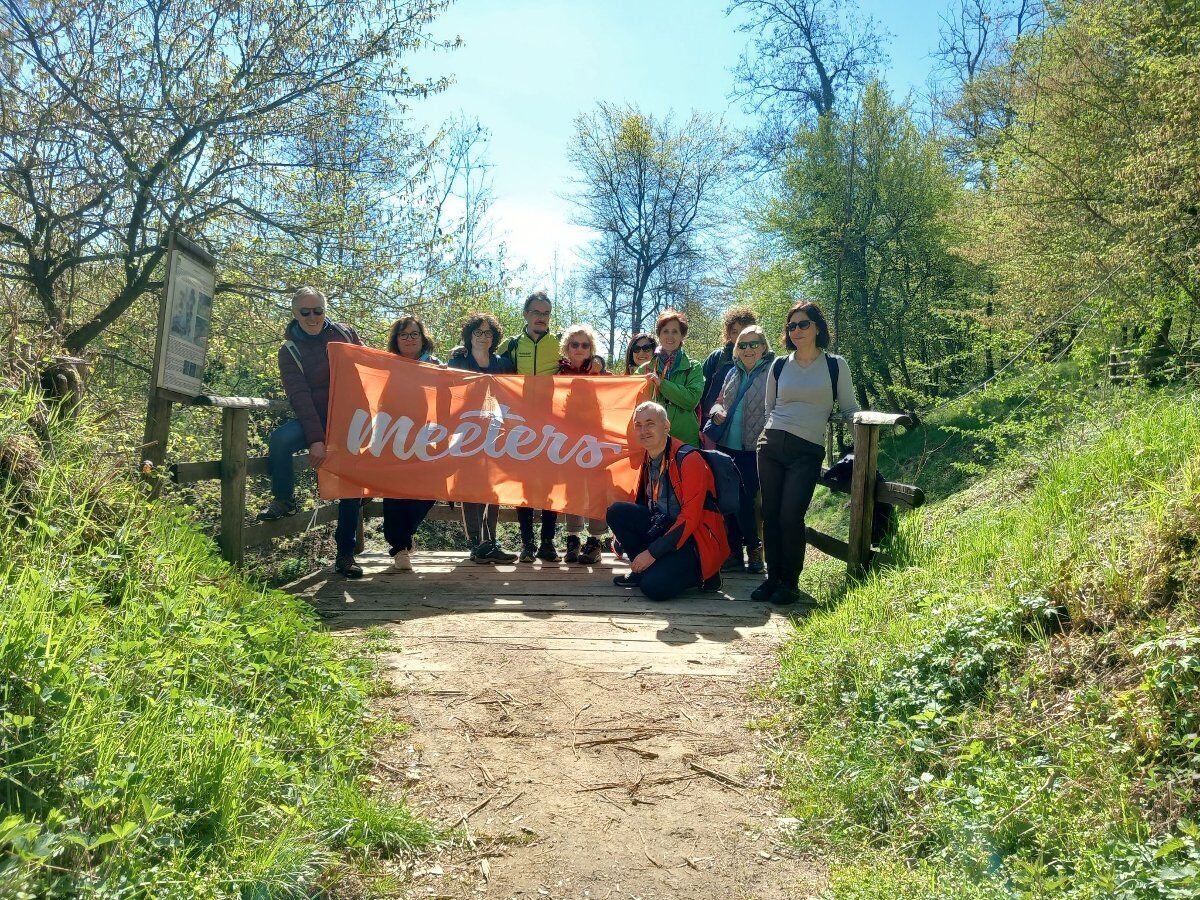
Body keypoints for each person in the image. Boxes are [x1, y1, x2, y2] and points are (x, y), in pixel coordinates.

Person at [755, 301, 859, 606]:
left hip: (807, 450)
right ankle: (772, 578)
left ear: (817, 327)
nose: (796, 331)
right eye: (791, 326)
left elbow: (850, 409)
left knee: (791, 515)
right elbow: (768, 408)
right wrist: (766, 434)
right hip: (771, 445)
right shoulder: (779, 365)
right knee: (770, 515)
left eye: (803, 324)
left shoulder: (834, 365)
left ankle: (790, 582)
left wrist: (864, 452)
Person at [258, 287, 366, 578]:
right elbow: (299, 396)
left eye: (317, 310)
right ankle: (284, 499)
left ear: (325, 310)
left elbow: (369, 367)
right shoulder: (289, 350)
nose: (312, 316)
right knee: (280, 440)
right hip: (314, 419)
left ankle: (345, 555)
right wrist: (317, 439)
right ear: (294, 313)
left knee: (349, 486)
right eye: (304, 311)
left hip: (347, 420)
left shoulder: (345, 335)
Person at [606, 402, 729, 601]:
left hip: (694, 539)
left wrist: (652, 553)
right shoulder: (647, 457)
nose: (643, 430)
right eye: (638, 425)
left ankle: (705, 573)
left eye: (649, 423)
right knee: (617, 512)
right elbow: (643, 503)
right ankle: (642, 570)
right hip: (664, 526)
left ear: (666, 426)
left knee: (654, 588)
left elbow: (690, 518)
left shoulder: (689, 459)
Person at [447, 312, 519, 565]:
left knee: (492, 488)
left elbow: (515, 392)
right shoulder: (458, 361)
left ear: (494, 336)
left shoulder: (503, 363)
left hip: (496, 431)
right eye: (478, 332)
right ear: (469, 335)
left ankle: (491, 542)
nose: (483, 337)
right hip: (467, 432)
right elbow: (448, 393)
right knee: (470, 487)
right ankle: (476, 544)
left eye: (488, 332)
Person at [705, 324, 773, 574]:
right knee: (728, 499)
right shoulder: (731, 373)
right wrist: (716, 411)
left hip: (753, 448)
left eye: (754, 344)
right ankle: (733, 552)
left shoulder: (772, 372)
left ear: (764, 347)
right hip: (726, 445)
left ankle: (754, 549)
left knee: (745, 500)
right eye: (742, 345)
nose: (748, 349)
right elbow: (718, 402)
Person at [501, 290, 562, 563]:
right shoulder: (512, 344)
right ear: (525, 314)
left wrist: (598, 362)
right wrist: (463, 350)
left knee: (550, 482)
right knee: (524, 484)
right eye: (536, 312)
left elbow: (584, 363)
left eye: (546, 313)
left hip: (553, 423)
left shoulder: (559, 342)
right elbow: (488, 364)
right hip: (520, 423)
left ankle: (548, 542)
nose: (541, 317)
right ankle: (527, 544)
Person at [381, 315, 441, 571]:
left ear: (422, 337)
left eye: (414, 334)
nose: (408, 339)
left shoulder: (435, 365)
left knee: (432, 486)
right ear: (396, 339)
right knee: (394, 491)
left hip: (427, 435)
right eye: (403, 334)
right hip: (394, 433)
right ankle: (400, 547)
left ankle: (406, 533)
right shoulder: (386, 364)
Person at [556, 324, 609, 564]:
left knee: (597, 489)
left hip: (595, 441)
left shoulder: (600, 373)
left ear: (591, 349)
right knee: (572, 490)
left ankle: (595, 542)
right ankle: (573, 540)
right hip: (567, 441)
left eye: (585, 345)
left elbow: (619, 394)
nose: (579, 349)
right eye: (574, 344)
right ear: (567, 347)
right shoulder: (557, 373)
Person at [636, 309, 704, 446]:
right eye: (665, 331)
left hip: (685, 440)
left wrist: (661, 384)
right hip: (652, 439)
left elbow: (691, 400)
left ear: (682, 336)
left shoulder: (694, 367)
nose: (670, 336)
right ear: (659, 335)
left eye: (675, 332)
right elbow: (633, 402)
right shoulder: (645, 369)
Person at [700, 306, 758, 426]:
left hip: (748, 424)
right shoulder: (717, 357)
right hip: (713, 422)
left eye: (743, 330)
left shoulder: (760, 358)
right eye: (734, 332)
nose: (739, 336)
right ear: (728, 334)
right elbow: (700, 390)